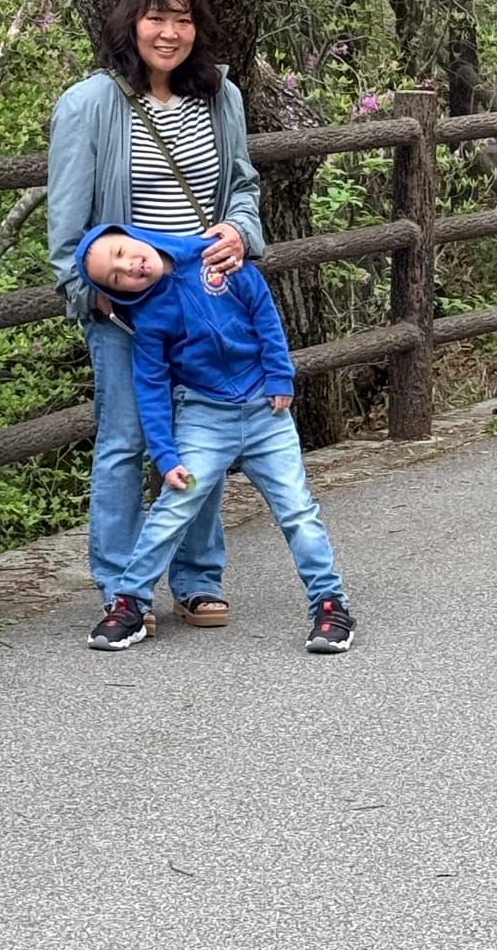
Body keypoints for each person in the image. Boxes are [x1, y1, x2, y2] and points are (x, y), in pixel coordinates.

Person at [45, 0, 265, 631]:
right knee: (124, 440)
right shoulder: (89, 103)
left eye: (183, 18)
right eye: (156, 18)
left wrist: (239, 231)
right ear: (129, 25)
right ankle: (122, 588)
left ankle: (196, 580)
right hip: (129, 306)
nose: (169, 32)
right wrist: (91, 293)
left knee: (200, 438)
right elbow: (67, 224)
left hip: (207, 299)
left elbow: (244, 188)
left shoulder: (221, 95)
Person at [77, 224, 354, 655]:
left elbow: (261, 306)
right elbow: (151, 387)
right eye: (116, 277)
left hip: (267, 411)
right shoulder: (148, 316)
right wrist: (166, 457)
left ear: (133, 236)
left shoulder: (213, 256)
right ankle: (130, 602)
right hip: (204, 417)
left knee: (297, 509)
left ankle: (330, 604)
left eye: (120, 251)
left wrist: (280, 374)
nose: (128, 266)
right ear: (121, 294)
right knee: (175, 504)